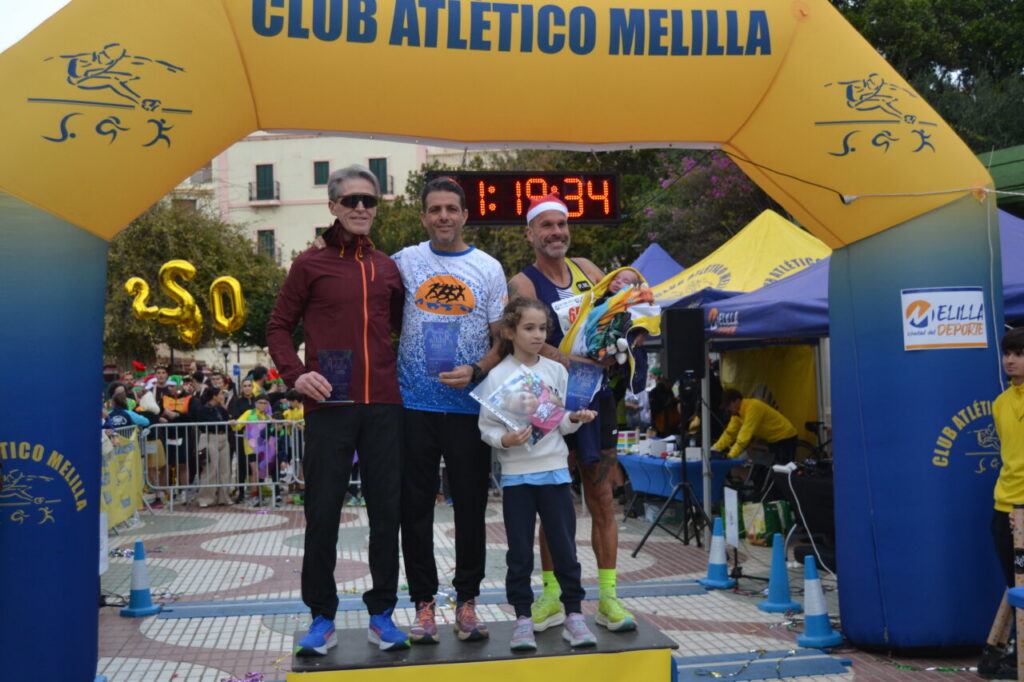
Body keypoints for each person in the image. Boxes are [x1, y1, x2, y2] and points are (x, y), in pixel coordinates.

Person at [266, 164, 407, 656]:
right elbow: (278, 327)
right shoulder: (310, 264)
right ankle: (322, 617)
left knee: (387, 513)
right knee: (322, 512)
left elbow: (400, 330)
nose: (362, 208)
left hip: (385, 405)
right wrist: (295, 375)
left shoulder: (388, 268)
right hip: (330, 405)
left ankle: (382, 614)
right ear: (333, 207)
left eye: (369, 201)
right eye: (351, 201)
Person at [506, 190, 637, 633]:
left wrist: (625, 331)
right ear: (530, 234)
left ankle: (609, 598)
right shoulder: (523, 284)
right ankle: (551, 595)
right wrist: (575, 362)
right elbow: (526, 340)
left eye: (561, 224)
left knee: (602, 498)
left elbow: (616, 317)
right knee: (553, 504)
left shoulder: (589, 270)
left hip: (597, 399)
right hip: (550, 402)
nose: (556, 232)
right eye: (546, 225)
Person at [392, 176, 506, 644]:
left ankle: (467, 604)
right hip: (413, 405)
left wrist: (477, 370)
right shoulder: (405, 262)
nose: (443, 216)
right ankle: (423, 606)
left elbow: (502, 341)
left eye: (451, 209)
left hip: (467, 409)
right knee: (414, 510)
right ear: (423, 217)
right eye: (434, 209)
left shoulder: (488, 268)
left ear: (464, 215)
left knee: (471, 511)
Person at [476, 297, 598, 650]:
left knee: (564, 548)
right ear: (510, 332)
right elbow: (486, 429)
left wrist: (574, 419)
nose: (537, 334)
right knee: (518, 553)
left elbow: (559, 424)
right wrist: (505, 439)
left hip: (555, 472)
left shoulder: (556, 371)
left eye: (542, 328)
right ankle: (523, 620)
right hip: (516, 477)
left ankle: (574, 615)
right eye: (529, 328)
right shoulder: (497, 376)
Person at [980, 328, 1024, 679]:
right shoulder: (1000, 403)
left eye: (1019, 354)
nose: (1011, 360)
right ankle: (1013, 649)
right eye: (1008, 353)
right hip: (1004, 506)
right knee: (1015, 585)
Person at [711, 389, 798, 464]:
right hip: (773, 438)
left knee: (783, 469)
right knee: (768, 468)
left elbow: (745, 434)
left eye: (729, 405)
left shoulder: (753, 407)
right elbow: (729, 434)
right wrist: (715, 449)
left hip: (786, 436)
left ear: (737, 401)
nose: (727, 409)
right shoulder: (737, 414)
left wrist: (731, 455)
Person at [195, 386, 233, 508]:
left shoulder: (221, 409)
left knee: (225, 469)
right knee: (210, 470)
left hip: (223, 438)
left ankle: (224, 497)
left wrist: (224, 407)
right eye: (221, 394)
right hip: (210, 438)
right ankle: (206, 498)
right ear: (214, 396)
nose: (223, 396)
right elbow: (207, 424)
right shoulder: (203, 410)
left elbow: (227, 419)